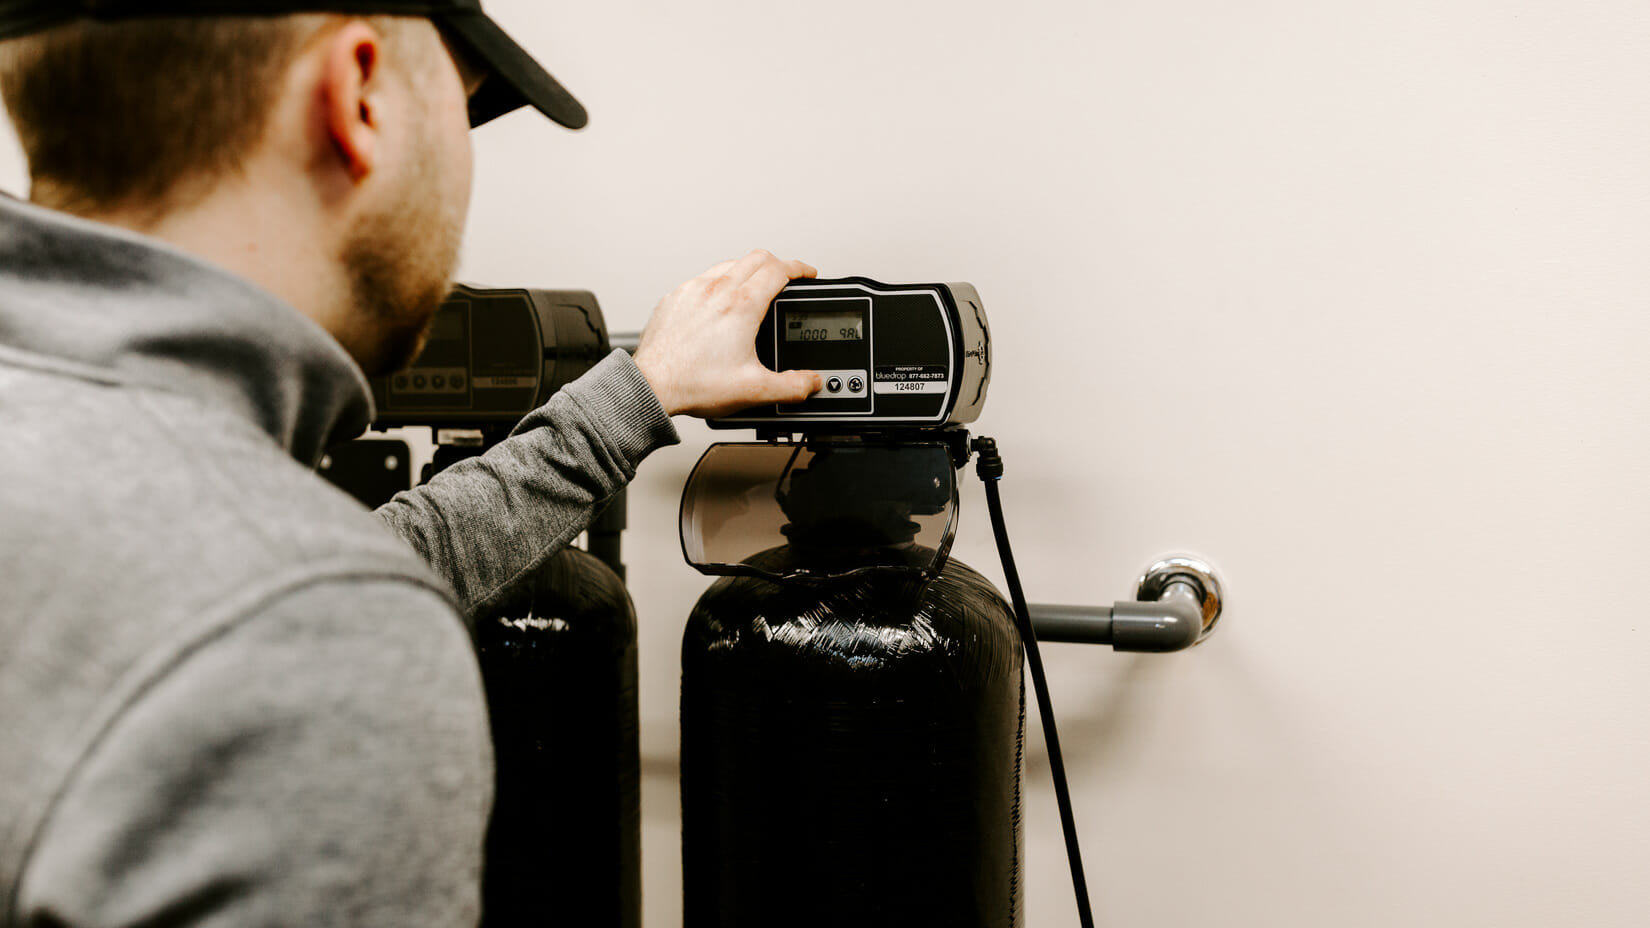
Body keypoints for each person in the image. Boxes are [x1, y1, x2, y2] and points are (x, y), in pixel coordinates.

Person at [0, 2, 820, 924]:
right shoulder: (311, 630)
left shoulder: (166, 540)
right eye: (465, 107)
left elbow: (306, 569)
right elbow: (292, 601)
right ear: (358, 94)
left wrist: (639, 395)